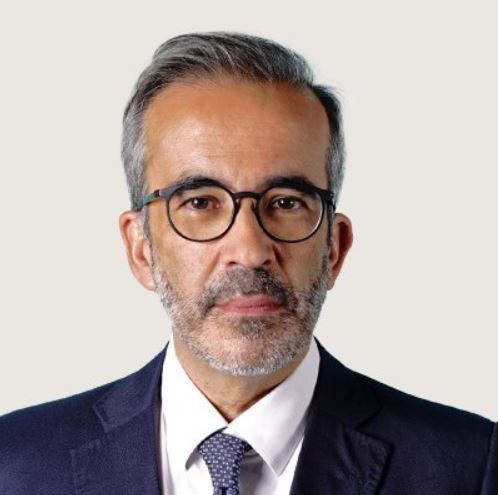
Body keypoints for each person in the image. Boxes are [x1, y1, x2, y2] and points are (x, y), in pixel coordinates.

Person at [0, 32, 496, 495]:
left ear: (335, 247)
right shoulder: (15, 462)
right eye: (199, 202)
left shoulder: (470, 467)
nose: (250, 248)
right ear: (141, 248)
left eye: (286, 202)